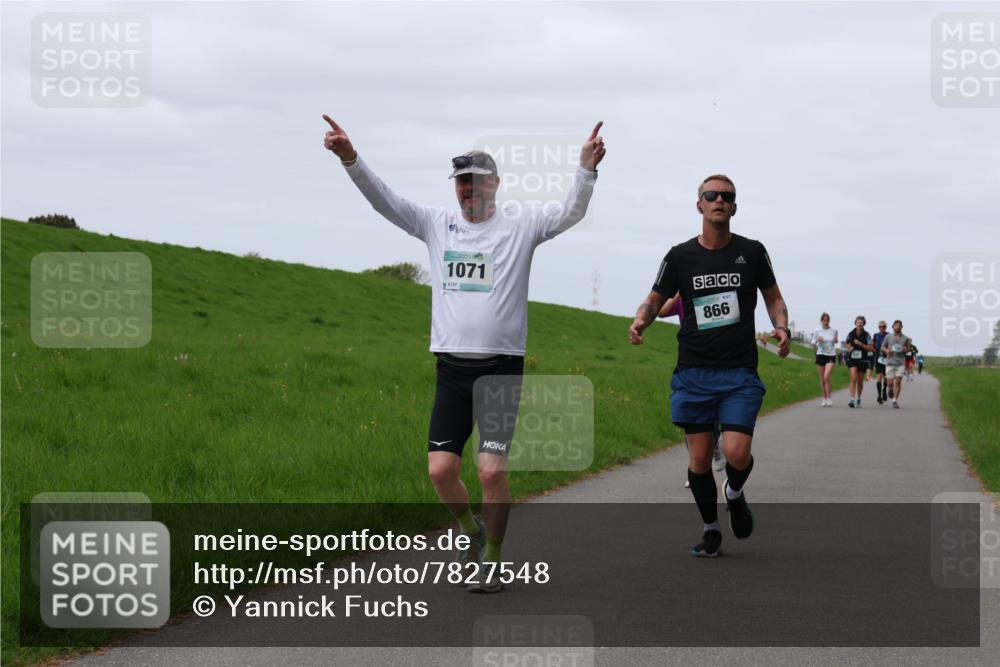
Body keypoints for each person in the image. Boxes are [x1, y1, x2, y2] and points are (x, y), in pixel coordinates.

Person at [323, 115, 606, 592]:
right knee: (441, 471)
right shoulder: (437, 223)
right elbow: (385, 201)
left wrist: (585, 169)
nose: (468, 190)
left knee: (491, 471)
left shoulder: (522, 225)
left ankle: (492, 561)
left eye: (475, 181)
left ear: (496, 183)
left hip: (500, 370)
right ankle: (471, 529)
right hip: (451, 369)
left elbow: (570, 212)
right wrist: (351, 158)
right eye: (461, 183)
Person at [629, 174, 790, 558]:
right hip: (694, 372)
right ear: (699, 204)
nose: (719, 200)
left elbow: (773, 297)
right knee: (699, 459)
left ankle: (733, 492)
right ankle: (711, 529)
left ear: (734, 206)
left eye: (727, 196)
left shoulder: (752, 252)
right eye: (711, 195)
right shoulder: (679, 256)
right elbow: (655, 299)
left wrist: (781, 326)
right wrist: (641, 321)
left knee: (736, 453)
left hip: (739, 373)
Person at [658, 293, 725, 485]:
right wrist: (679, 290)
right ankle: (695, 470)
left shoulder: (716, 296)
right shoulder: (681, 299)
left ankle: (715, 448)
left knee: (715, 418)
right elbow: (661, 312)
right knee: (692, 422)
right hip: (692, 365)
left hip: (720, 363)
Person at [844, 316, 875, 408]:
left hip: (862, 359)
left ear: (864, 324)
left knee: (860, 381)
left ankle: (859, 398)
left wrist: (860, 344)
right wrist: (849, 347)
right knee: (853, 378)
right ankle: (852, 399)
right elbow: (846, 342)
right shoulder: (851, 333)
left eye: (861, 322)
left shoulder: (867, 335)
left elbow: (870, 348)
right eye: (858, 322)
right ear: (855, 323)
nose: (859, 324)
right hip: (852, 358)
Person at [880, 320, 912, 409]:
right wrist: (886, 350)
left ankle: (895, 400)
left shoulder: (905, 338)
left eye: (899, 325)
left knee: (898, 382)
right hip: (890, 362)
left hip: (900, 362)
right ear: (893, 327)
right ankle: (890, 389)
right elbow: (882, 347)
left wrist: (906, 347)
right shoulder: (888, 337)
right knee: (890, 383)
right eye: (896, 325)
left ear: (902, 327)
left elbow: (908, 350)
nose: (898, 326)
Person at [810, 312, 838, 407]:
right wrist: (818, 340)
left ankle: (829, 398)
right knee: (822, 379)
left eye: (827, 320)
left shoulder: (834, 330)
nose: (826, 322)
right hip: (820, 354)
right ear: (821, 321)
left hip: (831, 355)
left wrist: (835, 340)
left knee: (827, 377)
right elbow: (813, 342)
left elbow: (836, 341)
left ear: (829, 321)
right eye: (824, 320)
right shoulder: (817, 330)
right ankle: (824, 398)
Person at [872, 320, 890, 404]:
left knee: (886, 376)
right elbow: (873, 345)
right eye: (880, 326)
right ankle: (879, 395)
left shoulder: (889, 335)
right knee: (879, 376)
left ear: (886, 327)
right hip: (878, 357)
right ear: (878, 327)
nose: (882, 328)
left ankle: (884, 391)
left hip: (887, 357)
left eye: (883, 326)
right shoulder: (876, 335)